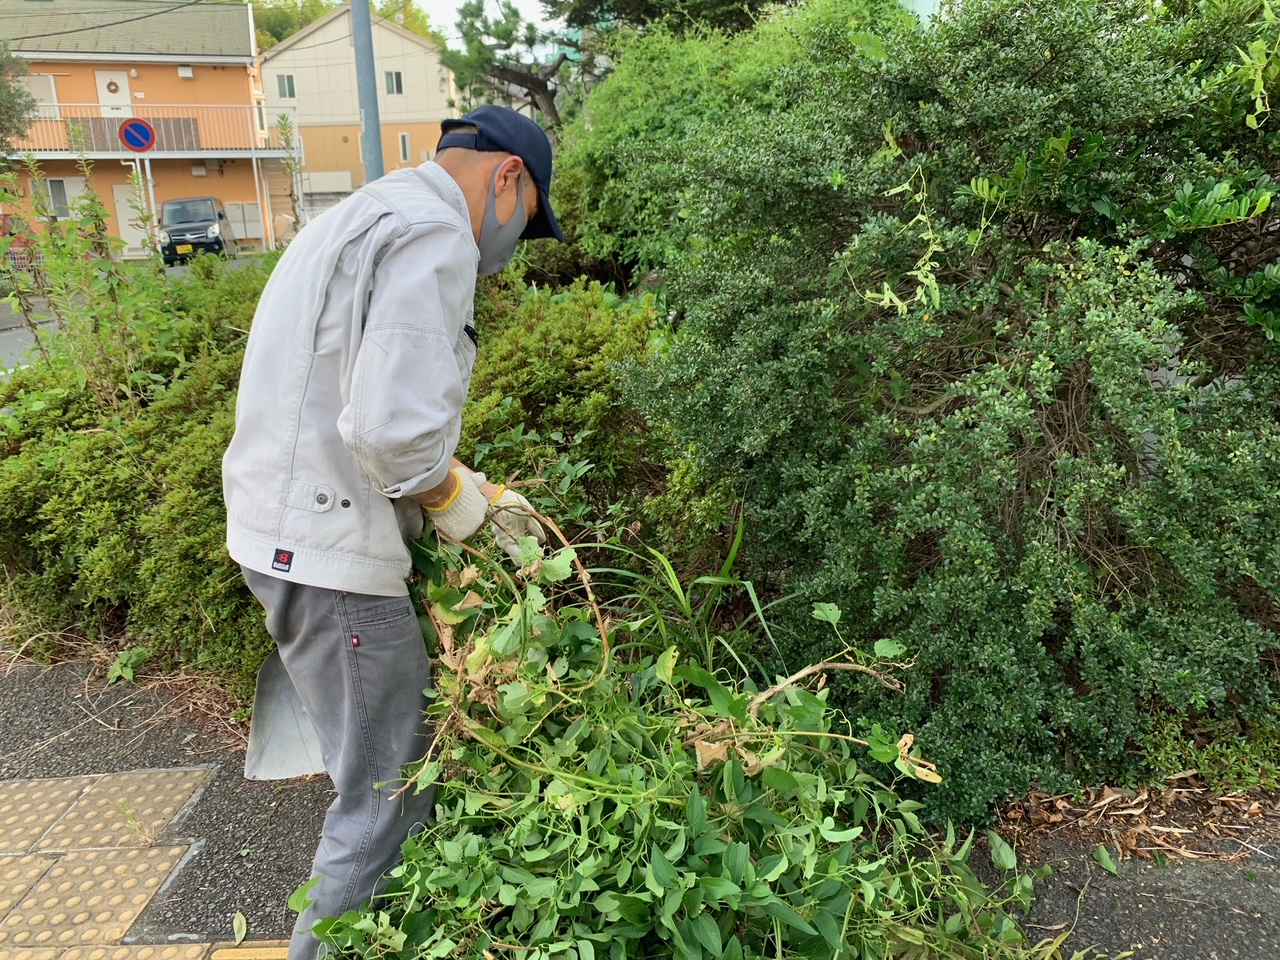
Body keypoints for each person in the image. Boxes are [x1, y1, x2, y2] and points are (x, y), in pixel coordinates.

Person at [221, 105, 563, 960]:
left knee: (372, 779)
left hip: (288, 527)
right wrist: (456, 501)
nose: (514, 246)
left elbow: (349, 395)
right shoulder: (435, 234)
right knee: (388, 795)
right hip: (332, 555)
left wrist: (464, 480)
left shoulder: (364, 211)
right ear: (509, 179)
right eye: (526, 223)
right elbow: (389, 433)